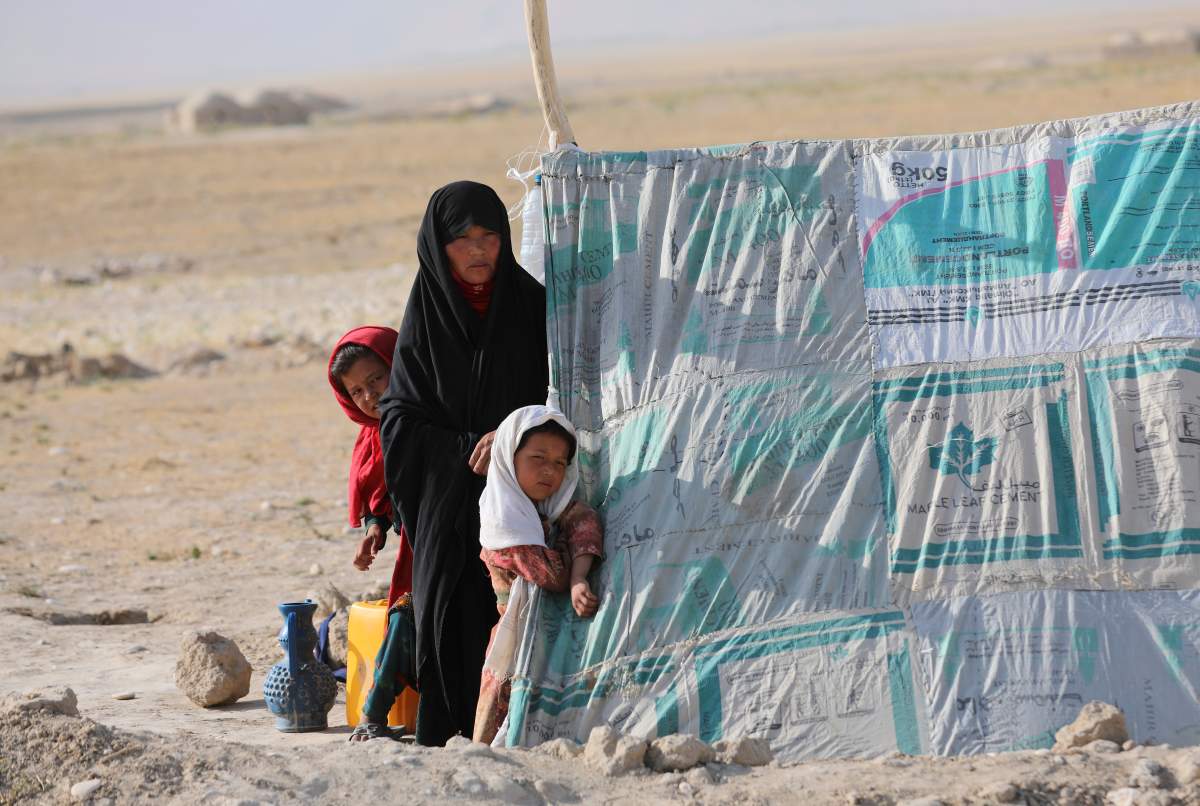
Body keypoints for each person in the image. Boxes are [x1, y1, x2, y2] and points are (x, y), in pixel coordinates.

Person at [379, 180, 549, 746]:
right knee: (448, 616)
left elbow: (561, 397)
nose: (478, 250)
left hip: (523, 501)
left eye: (489, 236)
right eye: (462, 239)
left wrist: (508, 437)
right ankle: (446, 734)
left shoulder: (532, 308)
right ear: (437, 245)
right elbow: (400, 418)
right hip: (447, 507)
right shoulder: (426, 317)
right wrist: (463, 448)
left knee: (515, 618)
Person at [473, 404, 603, 744]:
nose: (550, 471)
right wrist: (570, 571)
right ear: (508, 456)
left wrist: (580, 578)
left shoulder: (545, 508)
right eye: (538, 458)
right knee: (501, 729)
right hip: (515, 644)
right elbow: (551, 574)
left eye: (560, 463)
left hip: (546, 638)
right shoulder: (505, 523)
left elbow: (585, 519)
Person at [326, 326, 417, 742]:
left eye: (376, 379)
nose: (370, 397)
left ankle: (374, 713)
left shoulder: (426, 413)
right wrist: (375, 528)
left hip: (462, 536)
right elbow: (385, 497)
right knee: (404, 614)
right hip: (417, 547)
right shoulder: (373, 437)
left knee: (409, 614)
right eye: (357, 391)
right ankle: (374, 715)